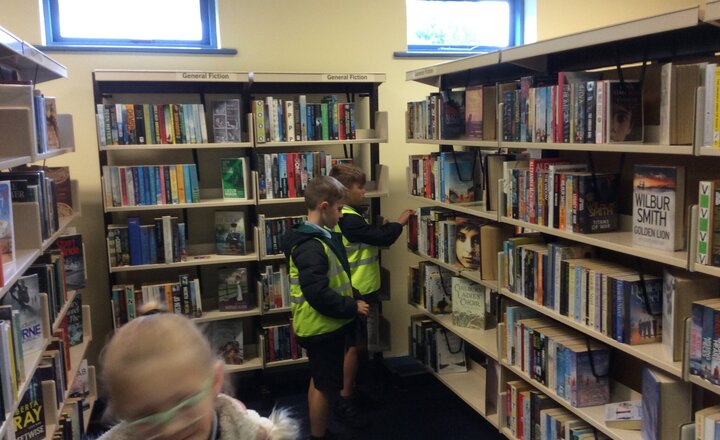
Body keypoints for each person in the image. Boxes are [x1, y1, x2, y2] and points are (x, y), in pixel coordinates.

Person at [97, 313, 299, 440]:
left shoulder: (250, 433)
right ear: (124, 414)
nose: (171, 429)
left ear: (215, 382)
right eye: (146, 416)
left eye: (185, 403)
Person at [282, 175, 369, 440]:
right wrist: (351, 306)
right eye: (338, 209)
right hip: (321, 325)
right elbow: (317, 293)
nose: (341, 215)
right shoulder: (311, 245)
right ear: (323, 206)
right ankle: (318, 436)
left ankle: (319, 430)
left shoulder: (318, 237)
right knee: (324, 386)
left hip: (322, 324)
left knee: (319, 380)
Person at [328, 164, 412, 427]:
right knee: (353, 347)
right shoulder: (349, 219)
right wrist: (399, 223)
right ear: (344, 192)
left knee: (358, 346)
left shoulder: (345, 214)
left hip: (356, 289)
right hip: (357, 291)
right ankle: (345, 399)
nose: (365, 192)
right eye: (360, 188)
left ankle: (351, 389)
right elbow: (379, 237)